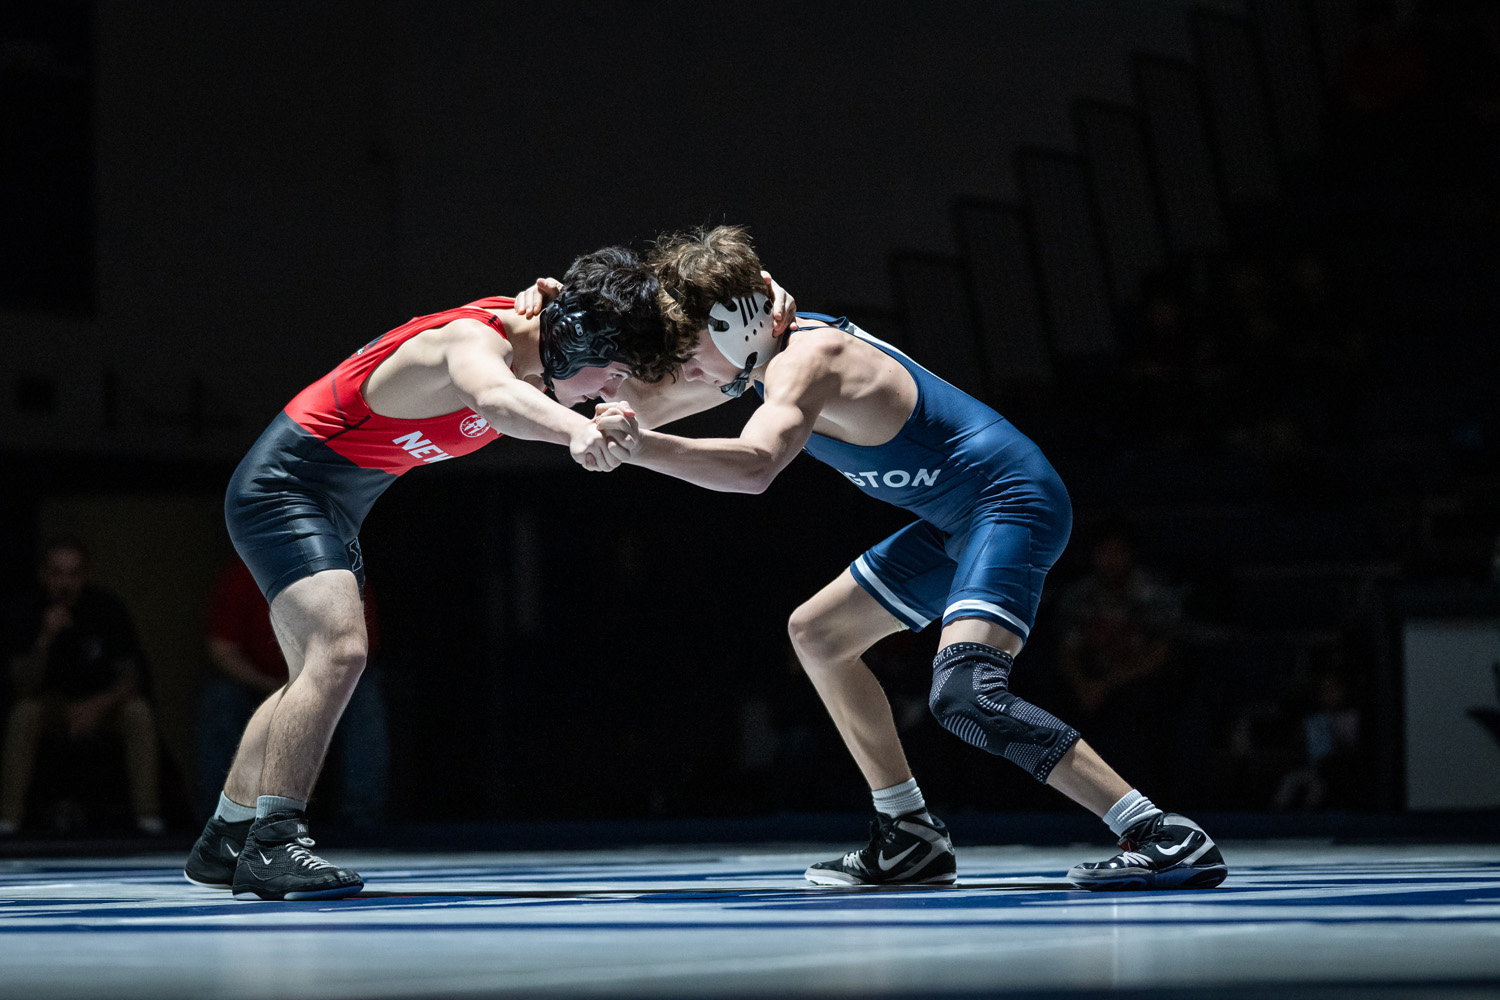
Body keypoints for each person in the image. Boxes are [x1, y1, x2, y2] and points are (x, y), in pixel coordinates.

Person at [585, 225, 1228, 890]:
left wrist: (638, 448)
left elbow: (754, 467)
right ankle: (909, 834)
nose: (687, 370)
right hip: (960, 520)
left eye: (690, 353)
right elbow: (646, 400)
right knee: (819, 634)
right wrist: (555, 388)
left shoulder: (804, 361)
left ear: (737, 325)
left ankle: (1162, 834)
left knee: (966, 694)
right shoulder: (756, 354)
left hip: (1010, 503)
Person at [185, 245, 795, 901]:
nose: (612, 392)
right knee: (340, 653)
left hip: (335, 504)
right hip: (284, 489)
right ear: (578, 341)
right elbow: (498, 399)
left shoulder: (555, 339)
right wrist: (575, 433)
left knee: (314, 671)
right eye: (612, 373)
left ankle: (227, 836)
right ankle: (273, 843)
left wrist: (749, 348)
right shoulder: (474, 342)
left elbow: (649, 362)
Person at [196, 558, 390, 826]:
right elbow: (222, 649)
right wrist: (272, 686)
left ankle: (362, 819)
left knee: (365, 693)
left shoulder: (346, 575)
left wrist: (312, 689)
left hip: (328, 686)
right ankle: (221, 820)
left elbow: (358, 650)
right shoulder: (245, 574)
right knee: (221, 697)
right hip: (261, 686)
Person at [2, 539, 163, 836]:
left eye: (73, 573)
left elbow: (131, 677)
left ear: (86, 575)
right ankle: (8, 820)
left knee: (137, 712)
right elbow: (22, 687)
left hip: (102, 704)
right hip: (50, 706)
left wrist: (97, 706)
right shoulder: (25, 611)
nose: (65, 582)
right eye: (57, 573)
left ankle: (148, 817)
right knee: (25, 713)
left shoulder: (106, 608)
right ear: (43, 575)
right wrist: (45, 639)